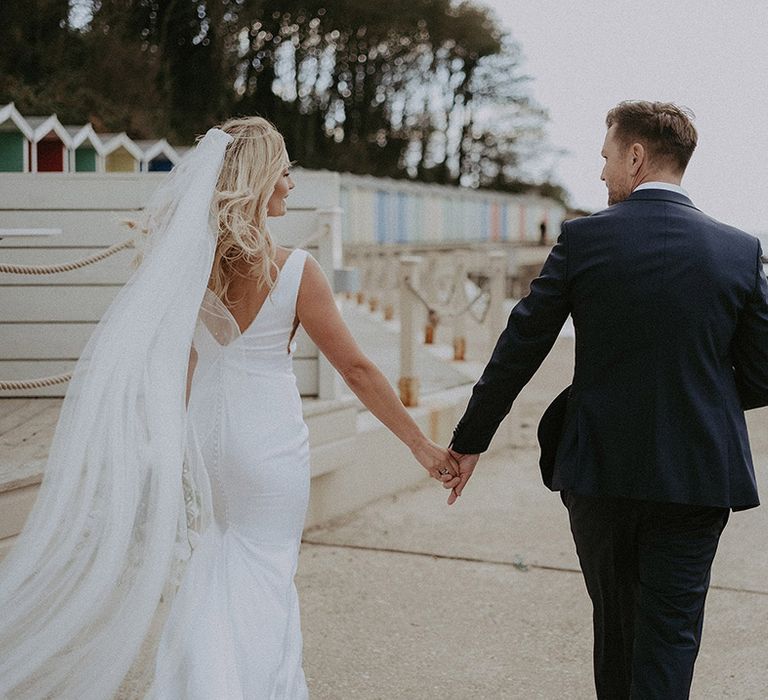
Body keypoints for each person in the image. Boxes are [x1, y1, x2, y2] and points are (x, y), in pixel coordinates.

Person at [0, 117, 458, 698]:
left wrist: (165, 444)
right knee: (264, 576)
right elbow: (358, 369)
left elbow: (184, 366)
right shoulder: (296, 269)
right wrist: (420, 445)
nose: (291, 184)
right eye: (284, 171)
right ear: (260, 180)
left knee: (215, 570)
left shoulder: (199, 267)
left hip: (208, 439)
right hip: (267, 442)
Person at [445, 101, 768, 698]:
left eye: (606, 158)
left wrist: (469, 443)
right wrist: (700, 396)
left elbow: (522, 345)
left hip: (600, 468)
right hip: (699, 474)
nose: (601, 174)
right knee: (670, 637)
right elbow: (765, 371)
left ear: (636, 156)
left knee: (616, 630)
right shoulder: (740, 250)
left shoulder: (585, 239)